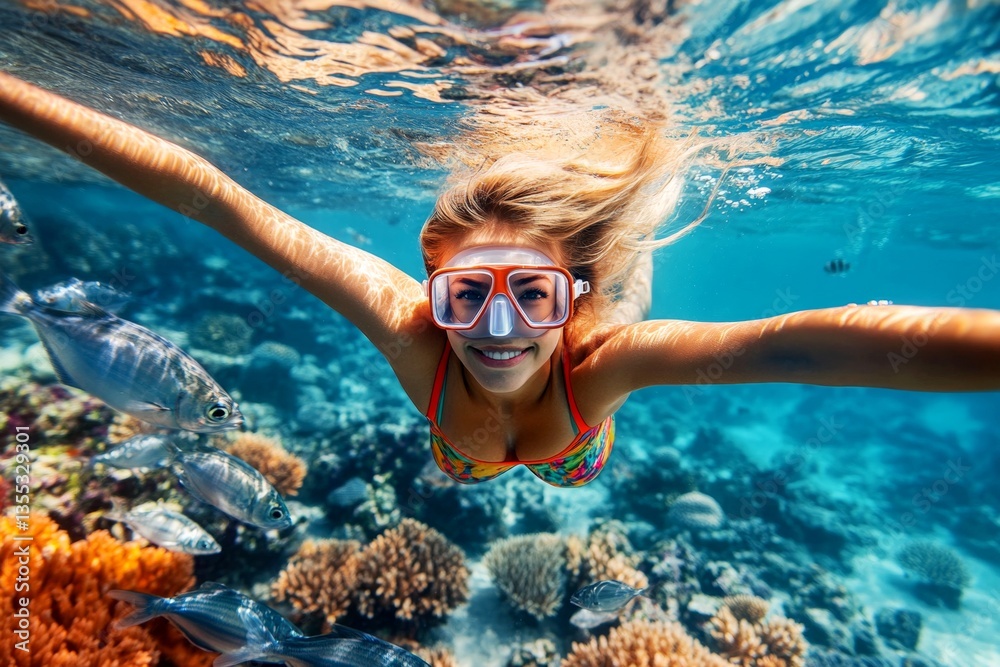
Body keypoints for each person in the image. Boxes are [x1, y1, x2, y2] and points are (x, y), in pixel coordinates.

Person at [1, 72, 998, 488]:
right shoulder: (406, 326)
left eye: (532, 293)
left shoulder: (602, 357)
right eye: (465, 294)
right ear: (430, 288)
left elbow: (806, 341)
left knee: (628, 271)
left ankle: (626, 231)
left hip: (578, 419)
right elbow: (213, 196)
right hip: (505, 446)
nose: (495, 327)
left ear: (563, 299)